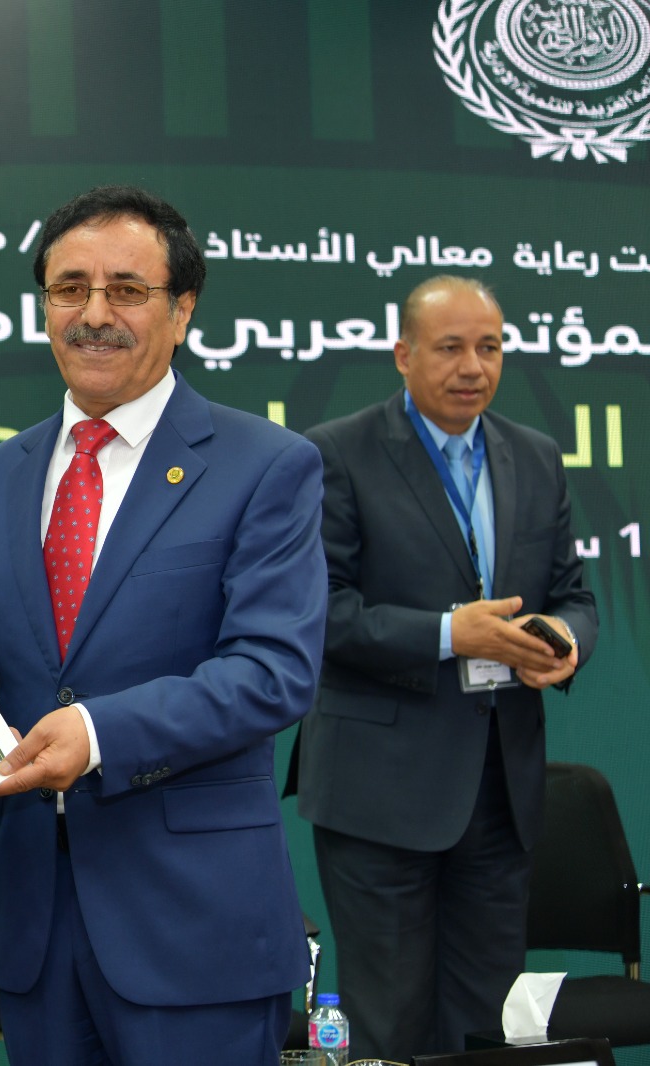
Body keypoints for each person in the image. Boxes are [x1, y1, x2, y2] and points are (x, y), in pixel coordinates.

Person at [0, 185, 326, 1065]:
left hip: (195, 928)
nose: (95, 314)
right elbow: (19, 677)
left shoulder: (267, 465)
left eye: (127, 290)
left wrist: (98, 732)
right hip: (36, 924)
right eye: (70, 289)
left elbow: (273, 673)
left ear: (182, 311)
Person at [291, 275, 597, 1060]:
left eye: (489, 348)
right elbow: (319, 610)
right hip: (378, 790)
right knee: (389, 1023)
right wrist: (447, 634)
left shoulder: (536, 456)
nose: (473, 367)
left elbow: (574, 595)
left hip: (498, 789)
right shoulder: (337, 452)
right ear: (404, 354)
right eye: (451, 347)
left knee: (486, 1023)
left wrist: (562, 643)